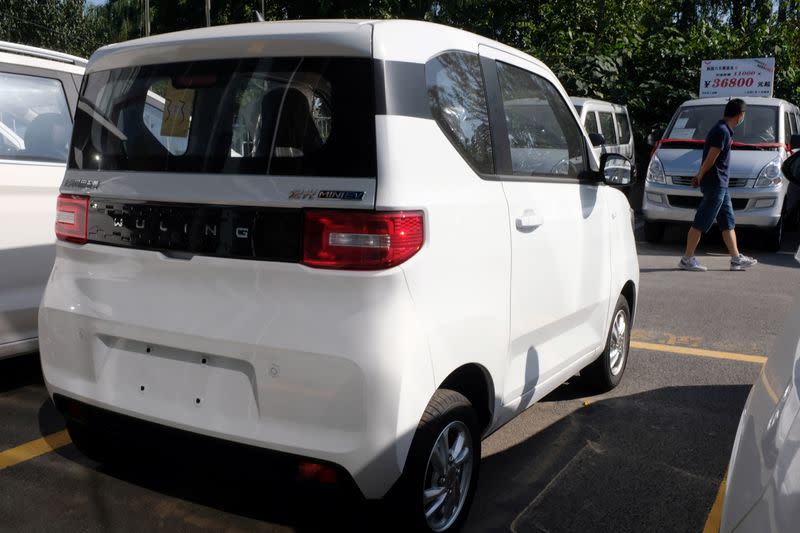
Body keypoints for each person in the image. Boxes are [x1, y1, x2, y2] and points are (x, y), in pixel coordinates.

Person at [679, 98, 758, 272]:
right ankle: (687, 259)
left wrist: (700, 174)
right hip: (715, 183)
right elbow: (711, 158)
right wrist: (700, 175)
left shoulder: (724, 129)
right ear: (739, 115)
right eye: (743, 114)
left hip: (721, 184)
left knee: (728, 222)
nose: (743, 117)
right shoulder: (722, 131)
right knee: (701, 221)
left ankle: (736, 259)